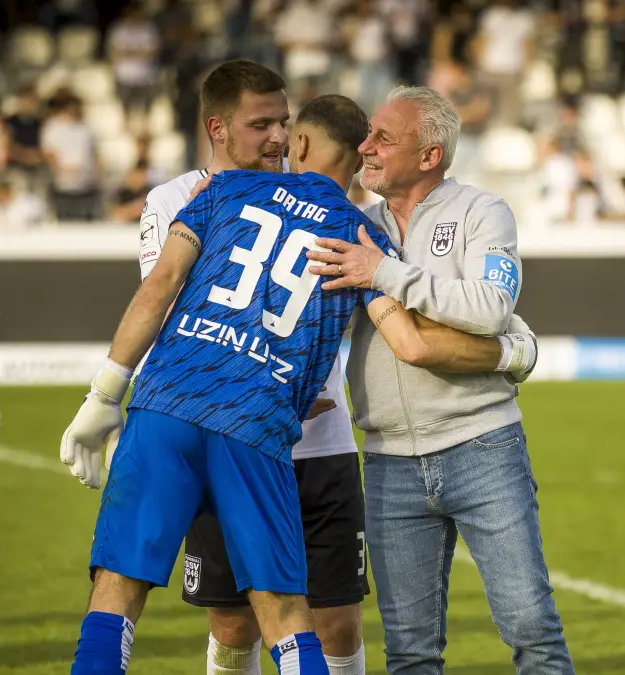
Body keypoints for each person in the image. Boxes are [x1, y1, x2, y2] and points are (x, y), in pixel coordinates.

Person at [57, 94, 536, 675]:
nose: (279, 138)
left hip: (170, 402)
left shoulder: (223, 190)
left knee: (118, 589)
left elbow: (160, 286)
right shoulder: (363, 240)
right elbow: (413, 346)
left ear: (301, 144)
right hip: (259, 426)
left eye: (286, 128)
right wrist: (513, 351)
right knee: (284, 611)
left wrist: (104, 396)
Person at [307, 86, 575, 674]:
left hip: (482, 446)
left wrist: (384, 272)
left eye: (383, 137)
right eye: (367, 134)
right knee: (408, 653)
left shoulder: (482, 212)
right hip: (387, 461)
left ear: (430, 156)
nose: (365, 147)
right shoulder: (353, 224)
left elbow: (488, 309)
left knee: (532, 629)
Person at [136, 59, 365, 675]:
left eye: (284, 124)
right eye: (261, 123)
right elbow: (171, 308)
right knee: (235, 621)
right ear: (218, 126)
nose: (278, 138)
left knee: (336, 621)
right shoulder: (174, 199)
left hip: (321, 441)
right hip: (225, 434)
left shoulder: (316, 197)